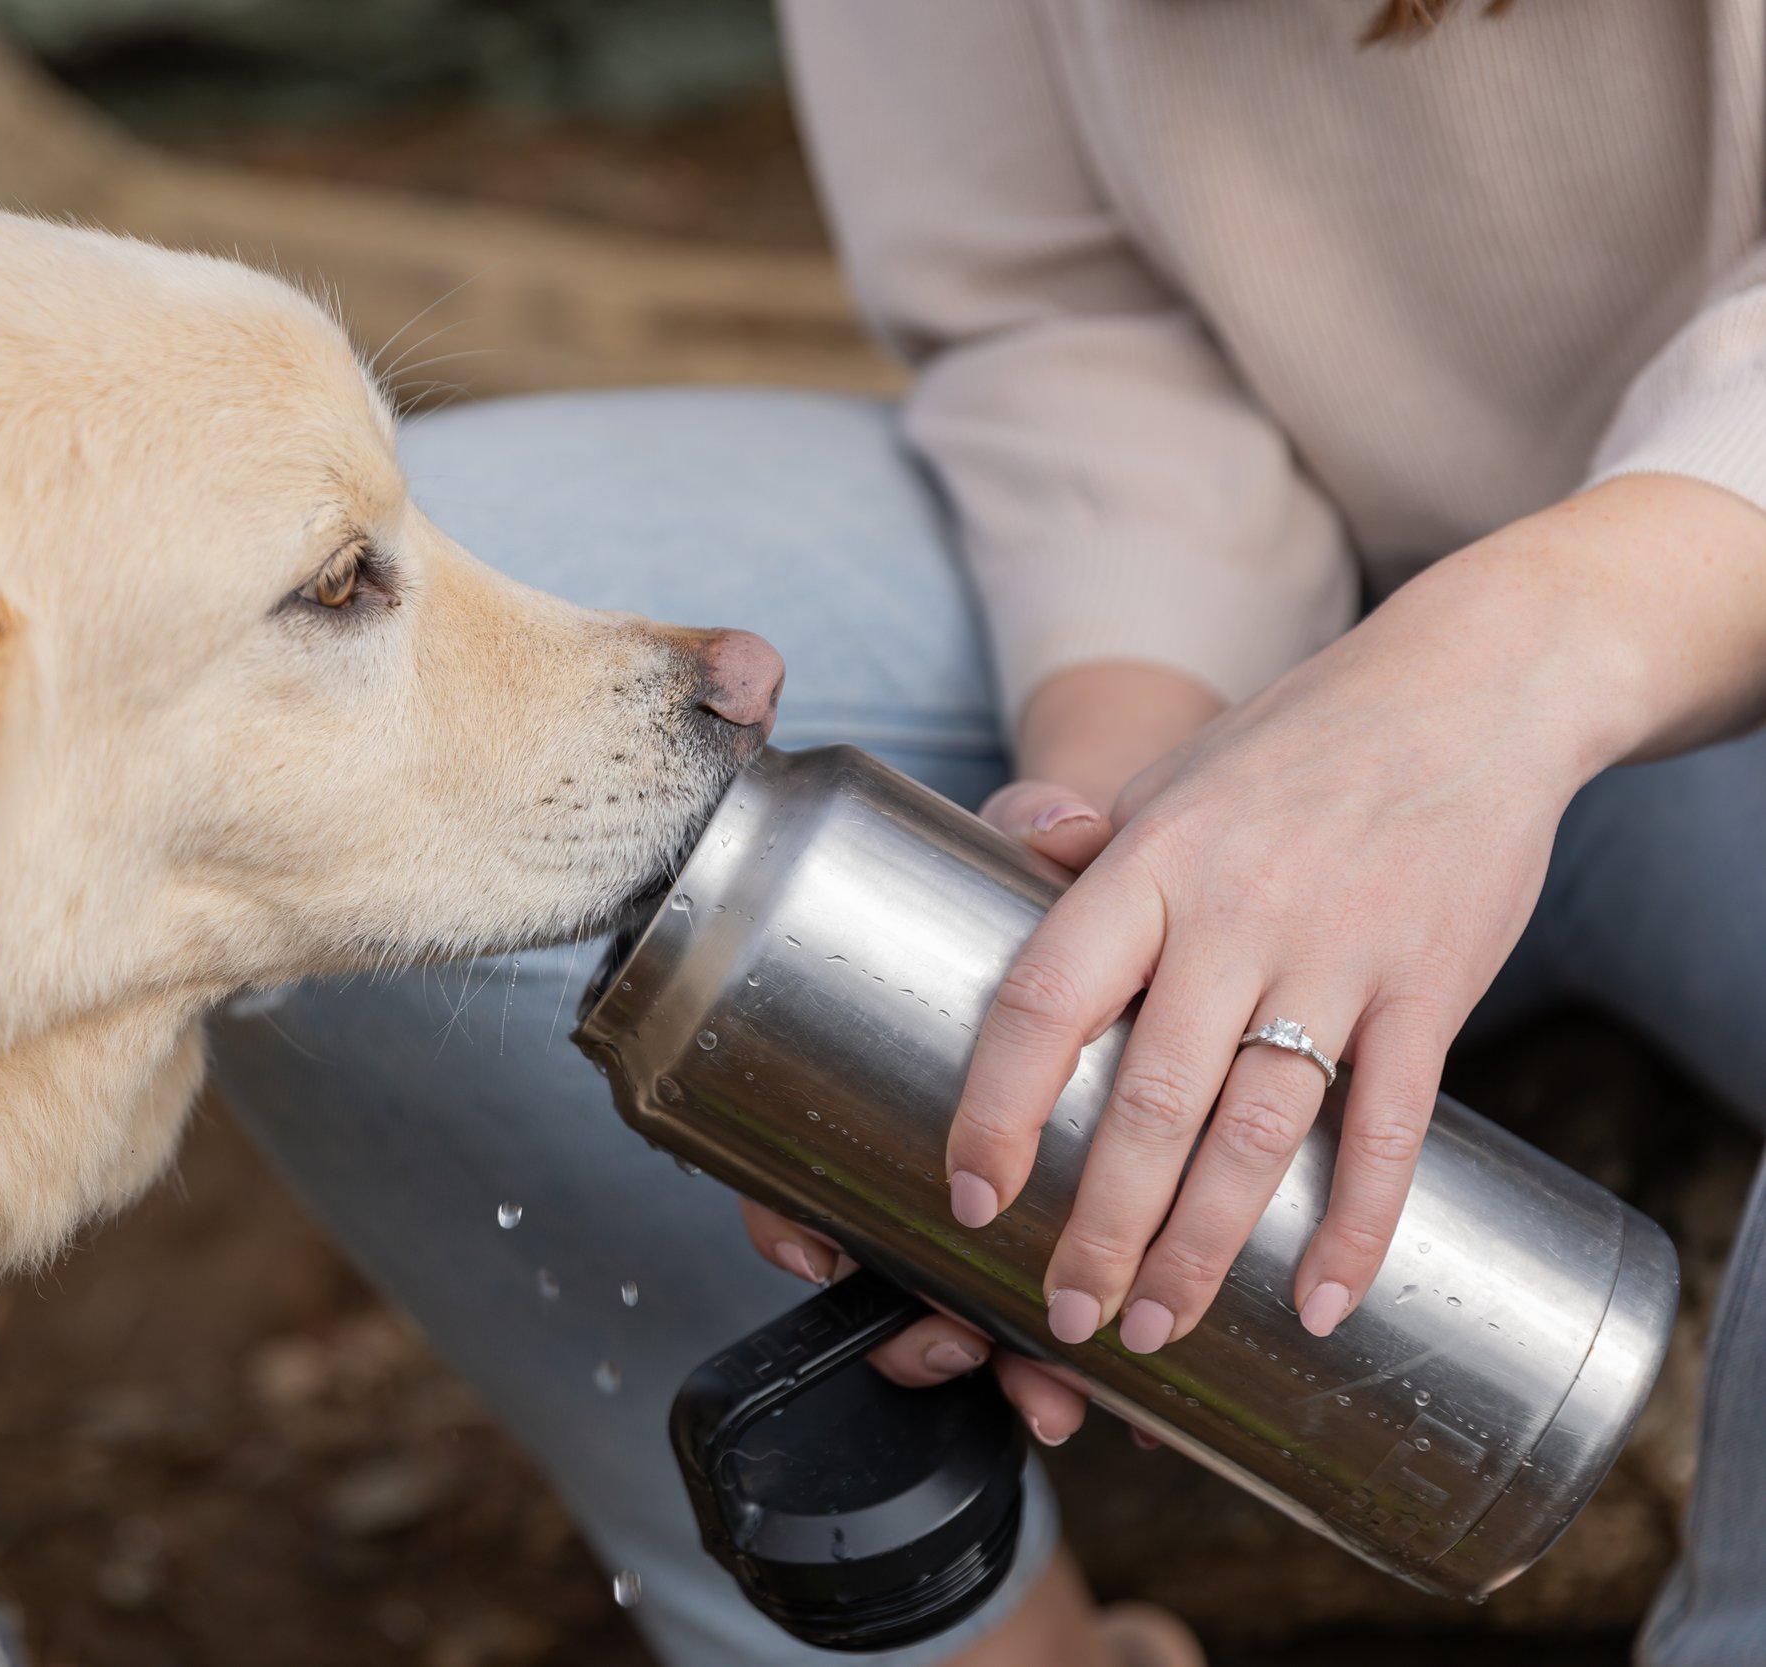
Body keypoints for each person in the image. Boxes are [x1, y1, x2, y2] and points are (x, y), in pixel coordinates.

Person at [213, 3, 1766, 1662]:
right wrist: (1118, 825)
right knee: (320, 702)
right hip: (1230, 598)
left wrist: (1500, 672)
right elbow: (1063, 305)